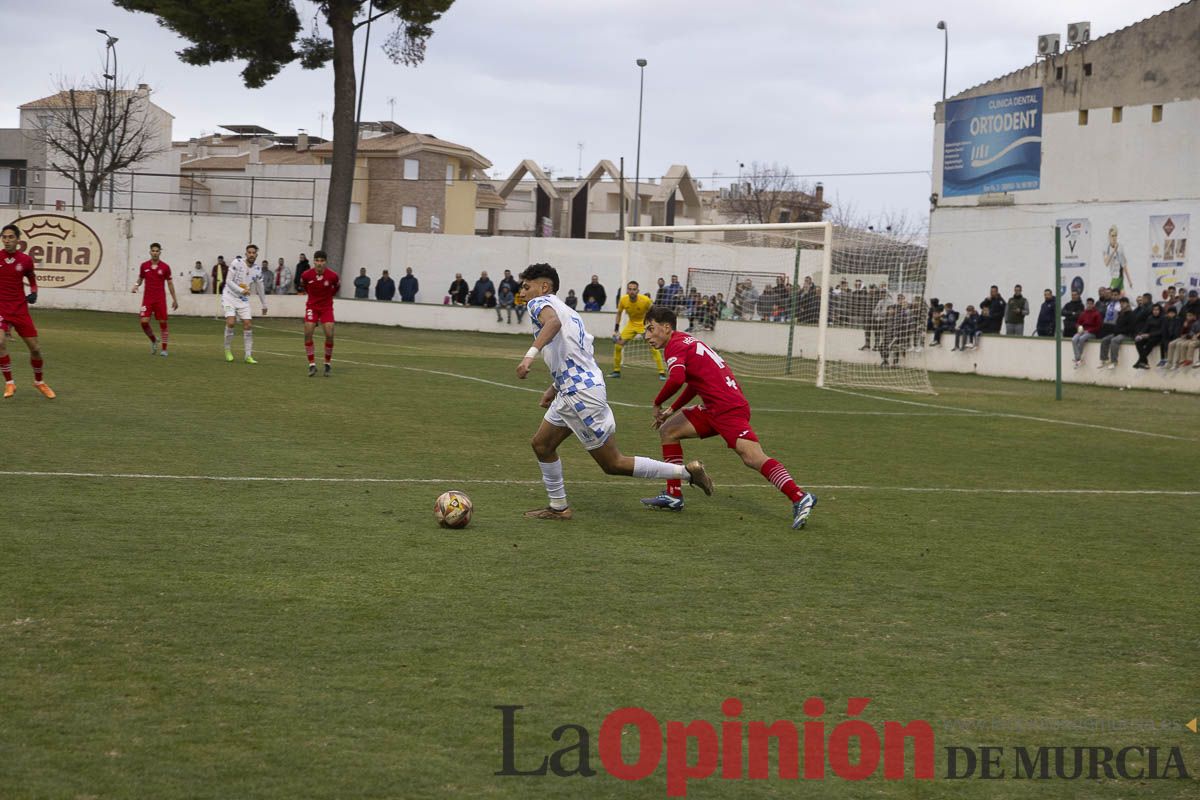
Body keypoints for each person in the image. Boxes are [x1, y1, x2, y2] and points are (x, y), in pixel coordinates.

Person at [514, 262, 712, 520]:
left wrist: (529, 356)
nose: (524, 291)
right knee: (541, 444)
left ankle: (687, 473)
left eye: (527, 286)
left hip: (580, 395)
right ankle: (558, 507)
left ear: (544, 287)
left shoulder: (540, 304)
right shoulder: (570, 313)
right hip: (573, 390)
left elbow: (551, 325)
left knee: (613, 463)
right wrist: (554, 387)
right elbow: (578, 355)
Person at [641, 306, 815, 528]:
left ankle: (799, 497)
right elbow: (694, 383)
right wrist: (671, 409)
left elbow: (676, 379)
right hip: (714, 407)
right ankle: (674, 495)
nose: (647, 336)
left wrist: (657, 403)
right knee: (669, 431)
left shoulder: (674, 346)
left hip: (727, 408)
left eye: (650, 329)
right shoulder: (686, 340)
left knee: (752, 457)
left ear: (666, 328)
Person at [0, 223, 54, 399]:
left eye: (10, 237)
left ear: (18, 240)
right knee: (0, 342)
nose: (7, 241)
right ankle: (9, 383)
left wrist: (34, 292)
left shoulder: (25, 260)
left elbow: (31, 277)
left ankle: (39, 382)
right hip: (1, 308)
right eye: (4, 237)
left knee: (35, 349)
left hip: (20, 309)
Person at [609, 280, 666, 380]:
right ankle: (616, 371)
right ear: (627, 290)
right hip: (631, 324)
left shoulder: (645, 300)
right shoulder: (623, 300)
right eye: (630, 289)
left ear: (638, 290)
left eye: (634, 289)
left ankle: (662, 372)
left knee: (653, 346)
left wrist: (653, 325)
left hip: (643, 324)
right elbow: (619, 314)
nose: (632, 291)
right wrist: (616, 329)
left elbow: (654, 311)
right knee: (618, 345)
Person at [222, 244, 268, 364]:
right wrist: (242, 290)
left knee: (248, 324)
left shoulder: (257, 270)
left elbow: (260, 287)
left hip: (242, 300)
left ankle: (248, 355)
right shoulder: (236, 263)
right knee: (231, 323)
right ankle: (227, 350)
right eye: (249, 252)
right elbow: (228, 281)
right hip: (229, 296)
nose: (251, 255)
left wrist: (264, 304)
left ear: (256, 255)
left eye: (254, 253)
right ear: (246, 253)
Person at [131, 242, 178, 357]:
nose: (155, 253)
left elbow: (170, 284)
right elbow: (140, 278)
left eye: (157, 251)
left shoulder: (165, 267)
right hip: (147, 299)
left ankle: (164, 349)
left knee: (163, 322)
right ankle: (153, 339)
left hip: (160, 299)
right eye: (153, 251)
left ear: (160, 252)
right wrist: (136, 285)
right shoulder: (144, 266)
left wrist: (174, 299)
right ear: (150, 252)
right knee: (144, 322)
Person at [299, 250, 340, 377]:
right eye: (317, 260)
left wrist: (329, 298)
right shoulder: (306, 275)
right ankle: (312, 365)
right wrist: (312, 297)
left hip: (326, 307)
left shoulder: (332, 276)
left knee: (329, 333)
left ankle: (327, 363)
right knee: (308, 333)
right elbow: (304, 286)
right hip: (312, 306)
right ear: (314, 261)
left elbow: (337, 287)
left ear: (326, 262)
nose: (319, 263)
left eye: (322, 261)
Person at [1097, 297, 1134, 369]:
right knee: (1105, 339)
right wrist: (1116, 331)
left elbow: (1131, 328)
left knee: (1114, 340)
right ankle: (1104, 360)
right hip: (1118, 333)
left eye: (1123, 303)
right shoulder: (1120, 314)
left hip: (1127, 334)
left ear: (1128, 304)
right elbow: (1117, 324)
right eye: (1121, 303)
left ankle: (1114, 362)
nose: (1122, 305)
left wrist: (1119, 331)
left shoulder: (1131, 314)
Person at [1071, 297, 1102, 367]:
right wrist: (1079, 328)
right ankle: (1078, 357)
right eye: (1088, 304)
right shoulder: (1083, 313)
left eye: (1091, 304)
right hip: (1082, 331)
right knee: (1074, 339)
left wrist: (1088, 330)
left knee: (1082, 339)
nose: (1089, 305)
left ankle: (1077, 358)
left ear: (1093, 305)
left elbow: (1098, 326)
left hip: (1091, 333)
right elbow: (1078, 323)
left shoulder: (1097, 314)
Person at [1132, 303, 1164, 369]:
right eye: (1154, 310)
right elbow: (1145, 328)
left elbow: (1161, 331)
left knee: (1150, 343)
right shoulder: (1150, 317)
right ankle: (1144, 362)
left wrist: (1149, 335)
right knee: (1138, 342)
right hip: (1148, 335)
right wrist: (1140, 334)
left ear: (1160, 310)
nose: (1155, 311)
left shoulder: (1163, 318)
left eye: (1157, 310)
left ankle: (1139, 362)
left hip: (1158, 337)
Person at [1104, 225, 1133, 292]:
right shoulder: (1106, 248)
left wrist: (1129, 281)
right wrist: (1114, 251)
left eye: (1115, 235)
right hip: (1114, 276)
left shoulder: (1120, 247)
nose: (1114, 238)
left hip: (1118, 277)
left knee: (1110, 294)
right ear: (1109, 236)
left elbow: (1124, 265)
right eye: (1112, 235)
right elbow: (1106, 263)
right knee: (1121, 296)